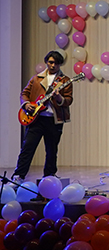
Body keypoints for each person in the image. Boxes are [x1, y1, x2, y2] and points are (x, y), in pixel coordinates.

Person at [12, 51, 74, 182]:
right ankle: (19, 176)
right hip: (36, 119)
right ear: (46, 62)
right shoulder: (36, 79)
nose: (53, 65)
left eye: (56, 63)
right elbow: (24, 93)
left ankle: (49, 177)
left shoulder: (65, 81)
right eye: (51, 62)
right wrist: (26, 104)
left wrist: (59, 98)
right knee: (27, 148)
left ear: (60, 64)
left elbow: (68, 100)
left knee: (51, 150)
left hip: (54, 120)